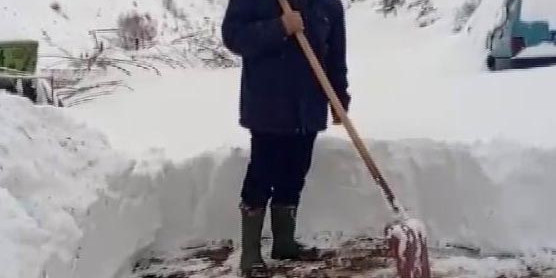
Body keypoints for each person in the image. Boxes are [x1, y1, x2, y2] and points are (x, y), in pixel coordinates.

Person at [222, 0, 350, 276]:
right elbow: (233, 36)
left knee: (295, 174)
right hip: (269, 105)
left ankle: (284, 243)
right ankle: (251, 255)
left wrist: (339, 98)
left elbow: (336, 57)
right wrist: (279, 26)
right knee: (262, 175)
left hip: (309, 106)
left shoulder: (328, 5)